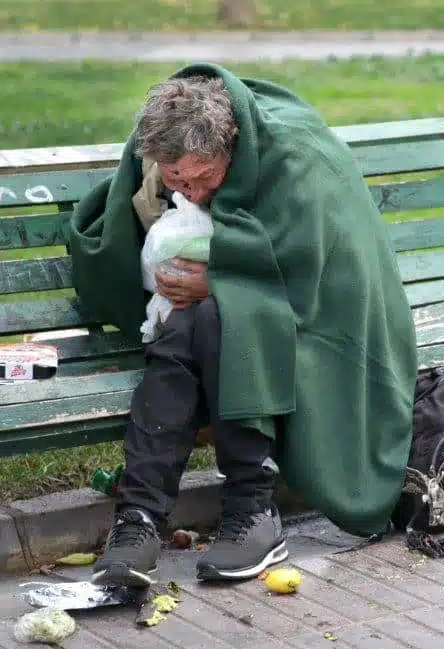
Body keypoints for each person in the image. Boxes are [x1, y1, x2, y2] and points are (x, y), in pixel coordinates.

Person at [67, 64, 419, 587]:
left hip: (329, 317)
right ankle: (145, 519)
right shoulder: (162, 146)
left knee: (220, 317)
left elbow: (313, 268)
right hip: (223, 317)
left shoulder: (299, 156)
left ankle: (246, 511)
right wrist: (210, 273)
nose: (193, 191)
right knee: (197, 324)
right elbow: (130, 222)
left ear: (232, 143)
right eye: (177, 178)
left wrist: (222, 280)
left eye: (204, 177)